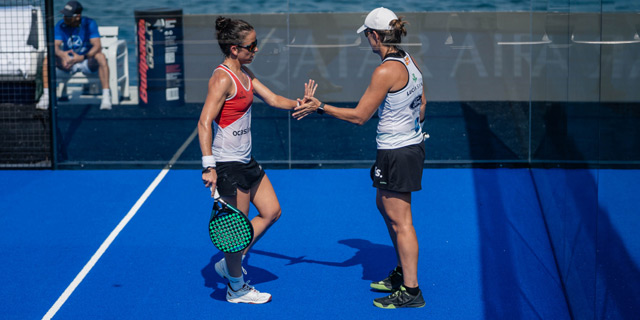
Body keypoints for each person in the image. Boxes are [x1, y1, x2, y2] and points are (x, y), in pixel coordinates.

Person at [293, 7, 427, 309]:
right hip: (407, 146)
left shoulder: (384, 71)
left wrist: (320, 107)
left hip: (397, 152)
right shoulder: (408, 59)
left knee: (401, 221)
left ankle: (412, 290)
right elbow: (422, 103)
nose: (367, 39)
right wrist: (410, 130)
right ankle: (401, 273)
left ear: (375, 36)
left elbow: (359, 116)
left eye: (367, 34)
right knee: (385, 205)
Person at [198, 16, 316, 304]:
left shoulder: (245, 73)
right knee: (236, 230)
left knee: (272, 211)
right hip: (227, 164)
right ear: (235, 49)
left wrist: (303, 103)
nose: (256, 49)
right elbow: (204, 123)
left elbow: (274, 99)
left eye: (256, 44)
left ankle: (230, 263)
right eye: (252, 45)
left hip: (247, 160)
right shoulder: (222, 77)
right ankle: (236, 288)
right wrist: (209, 166)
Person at [36, 1, 112, 110]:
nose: (65, 18)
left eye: (68, 16)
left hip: (86, 60)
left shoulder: (89, 23)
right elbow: (55, 46)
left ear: (77, 17)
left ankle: (106, 96)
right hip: (68, 60)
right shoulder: (60, 25)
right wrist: (62, 55)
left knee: (101, 57)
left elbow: (97, 46)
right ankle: (46, 96)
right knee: (47, 59)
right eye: (64, 15)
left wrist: (82, 57)